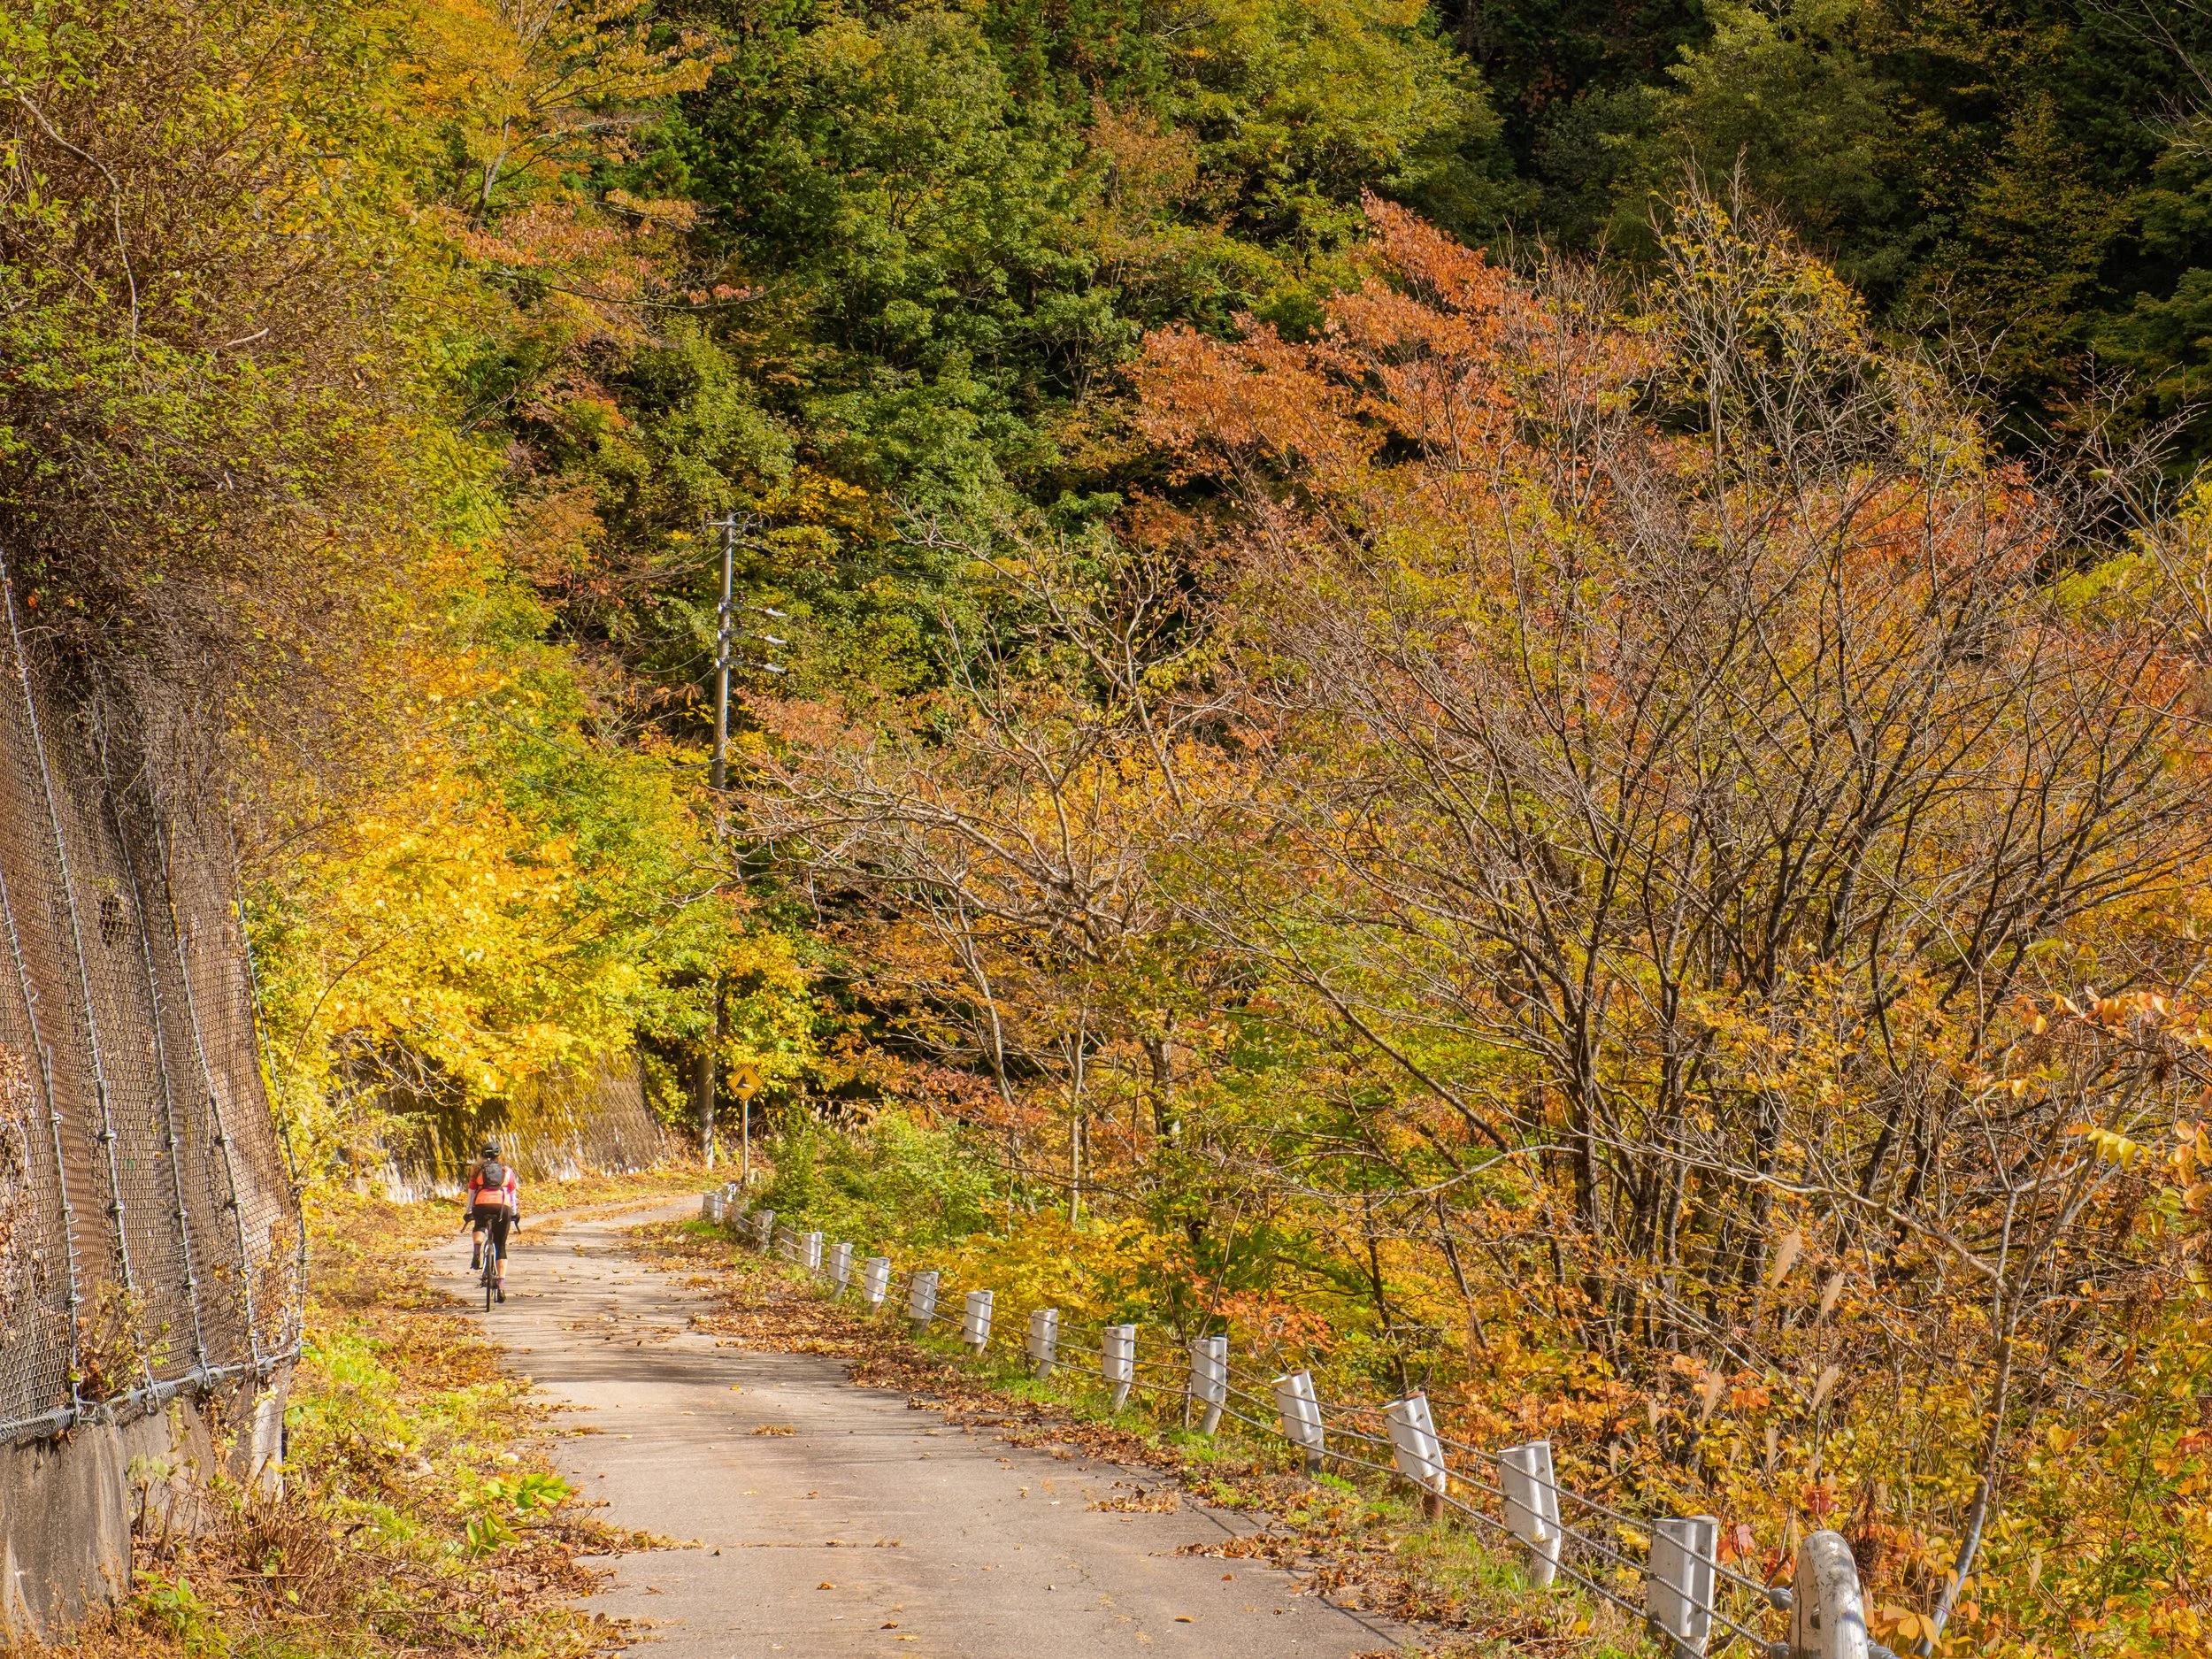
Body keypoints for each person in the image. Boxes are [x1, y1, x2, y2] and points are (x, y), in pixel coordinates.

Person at [462, 1141, 519, 1301]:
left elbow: (472, 1193)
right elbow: (513, 1194)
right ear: (498, 1155)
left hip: (482, 1204)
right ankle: (501, 1285)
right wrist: (515, 1213)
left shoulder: (478, 1171)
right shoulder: (506, 1171)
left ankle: (476, 1251)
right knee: (500, 1246)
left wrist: (469, 1212)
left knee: (479, 1225)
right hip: (502, 1206)